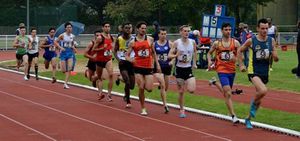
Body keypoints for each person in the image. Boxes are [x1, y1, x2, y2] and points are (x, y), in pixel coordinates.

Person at [237, 18, 279, 129]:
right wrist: (241, 64)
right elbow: (239, 50)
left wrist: (275, 57)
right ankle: (252, 105)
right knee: (263, 90)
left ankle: (248, 119)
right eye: (262, 28)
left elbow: (275, 56)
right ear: (258, 28)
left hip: (265, 72)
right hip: (253, 71)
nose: (264, 30)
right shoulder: (251, 40)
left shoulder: (271, 41)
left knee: (259, 99)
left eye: (266, 28)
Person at [207, 23, 241, 124]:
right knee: (228, 92)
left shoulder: (235, 43)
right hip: (221, 70)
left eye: (230, 29)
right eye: (226, 29)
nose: (228, 31)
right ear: (222, 31)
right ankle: (233, 116)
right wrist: (209, 61)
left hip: (232, 70)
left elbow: (239, 58)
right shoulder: (217, 43)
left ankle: (214, 82)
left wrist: (235, 58)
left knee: (227, 94)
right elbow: (209, 53)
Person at [126, 21, 160, 115]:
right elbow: (127, 55)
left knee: (149, 88)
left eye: (145, 28)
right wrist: (130, 60)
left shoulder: (150, 39)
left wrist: (157, 63)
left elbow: (153, 52)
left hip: (148, 66)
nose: (144, 30)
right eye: (142, 28)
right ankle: (143, 108)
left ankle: (143, 86)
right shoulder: (132, 42)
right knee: (141, 87)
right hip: (137, 67)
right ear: (138, 29)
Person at [168, 25, 197, 118]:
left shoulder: (193, 42)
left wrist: (194, 63)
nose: (186, 33)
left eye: (188, 31)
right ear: (180, 32)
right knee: (181, 91)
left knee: (191, 90)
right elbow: (169, 55)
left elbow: (195, 52)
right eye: (184, 31)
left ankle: (182, 108)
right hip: (179, 69)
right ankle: (182, 110)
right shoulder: (176, 43)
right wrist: (176, 55)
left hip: (188, 68)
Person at [113, 22, 135, 108]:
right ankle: (128, 100)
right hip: (123, 62)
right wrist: (118, 60)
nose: (128, 29)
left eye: (129, 28)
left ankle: (119, 78)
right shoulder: (119, 39)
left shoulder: (134, 39)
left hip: (131, 62)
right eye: (126, 28)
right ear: (122, 29)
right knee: (127, 81)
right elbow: (114, 51)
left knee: (132, 86)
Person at [153, 27, 173, 113]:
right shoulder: (154, 44)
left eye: (165, 34)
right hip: (158, 67)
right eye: (162, 34)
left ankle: (161, 87)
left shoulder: (170, 44)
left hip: (167, 67)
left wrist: (172, 61)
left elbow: (175, 54)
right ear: (158, 35)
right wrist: (156, 64)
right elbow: (153, 56)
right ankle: (165, 105)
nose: (163, 36)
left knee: (166, 87)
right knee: (163, 85)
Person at [93, 22, 114, 101]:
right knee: (99, 77)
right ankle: (100, 93)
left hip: (108, 59)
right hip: (100, 60)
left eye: (108, 26)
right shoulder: (99, 38)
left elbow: (112, 47)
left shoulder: (111, 37)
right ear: (103, 28)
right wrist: (102, 49)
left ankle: (109, 95)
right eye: (106, 26)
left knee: (111, 75)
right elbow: (94, 49)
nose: (107, 28)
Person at [54, 22, 77, 89]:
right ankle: (60, 63)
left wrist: (74, 48)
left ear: (72, 28)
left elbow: (72, 44)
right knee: (64, 70)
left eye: (70, 27)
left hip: (70, 53)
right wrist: (60, 47)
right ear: (65, 28)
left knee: (69, 68)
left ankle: (65, 83)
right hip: (63, 53)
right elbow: (55, 42)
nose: (69, 28)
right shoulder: (62, 35)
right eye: (68, 27)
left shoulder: (73, 36)